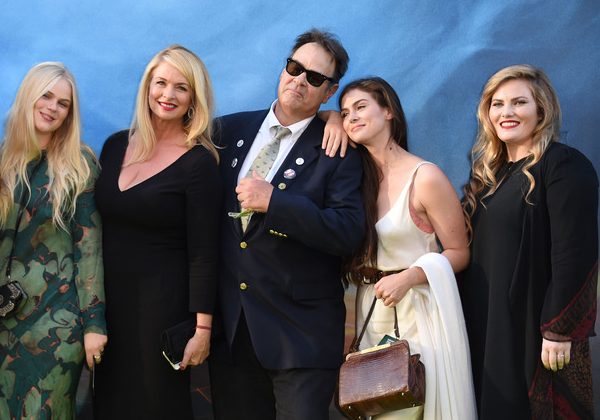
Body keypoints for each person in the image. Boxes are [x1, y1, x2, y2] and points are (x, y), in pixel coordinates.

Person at [208, 28, 365, 420]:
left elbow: (347, 231)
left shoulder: (340, 149)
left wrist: (275, 202)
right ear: (284, 68)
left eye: (315, 77)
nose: (300, 80)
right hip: (232, 336)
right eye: (295, 67)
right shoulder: (226, 132)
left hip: (301, 340)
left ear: (330, 91)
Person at [461, 65, 598, 419]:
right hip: (484, 324)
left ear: (542, 109)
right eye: (497, 104)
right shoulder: (487, 179)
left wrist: (559, 329)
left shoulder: (564, 166)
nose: (506, 113)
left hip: (531, 328)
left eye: (519, 102)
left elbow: (574, 251)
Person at [93, 45, 221, 419]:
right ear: (147, 87)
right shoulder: (116, 144)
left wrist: (202, 328)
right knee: (109, 404)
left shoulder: (199, 162)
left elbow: (204, 252)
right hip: (109, 307)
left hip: (162, 313)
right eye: (160, 83)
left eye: (181, 87)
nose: (168, 95)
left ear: (194, 97)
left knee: (155, 405)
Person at [338, 77, 476, 419]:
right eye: (343, 113)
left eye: (360, 107)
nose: (351, 117)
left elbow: (459, 252)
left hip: (416, 315)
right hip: (368, 314)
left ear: (388, 112)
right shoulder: (353, 182)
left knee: (411, 408)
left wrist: (410, 277)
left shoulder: (424, 177)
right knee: (376, 407)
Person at [0, 62, 106, 419]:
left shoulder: (80, 164)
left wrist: (94, 324)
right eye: (46, 96)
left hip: (57, 322)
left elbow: (90, 249)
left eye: (63, 103)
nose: (52, 107)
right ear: (28, 96)